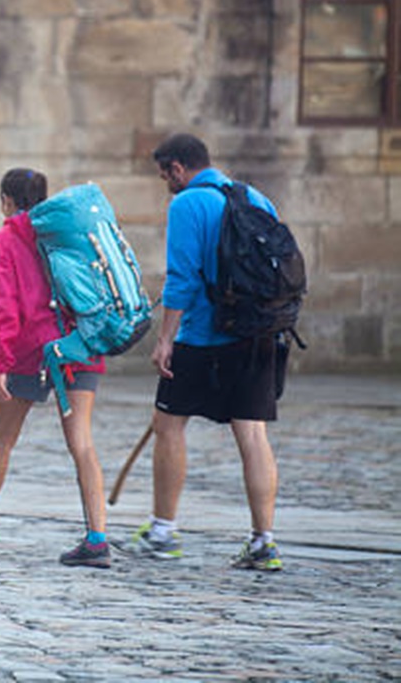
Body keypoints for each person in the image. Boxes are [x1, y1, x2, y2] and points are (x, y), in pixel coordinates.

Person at [128, 132, 283, 571]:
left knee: (168, 425)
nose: (166, 185)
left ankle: (162, 532)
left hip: (202, 336)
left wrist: (165, 340)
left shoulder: (186, 205)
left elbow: (183, 279)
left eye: (165, 176)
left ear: (178, 168)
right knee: (252, 434)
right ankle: (263, 543)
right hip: (257, 335)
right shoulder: (255, 198)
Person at [0, 168, 111, 568]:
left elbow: (3, 309)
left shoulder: (5, 241)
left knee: (2, 438)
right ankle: (97, 538)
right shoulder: (68, 232)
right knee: (82, 443)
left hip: (31, 352)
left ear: (6, 201)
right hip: (79, 345)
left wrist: (0, 363)